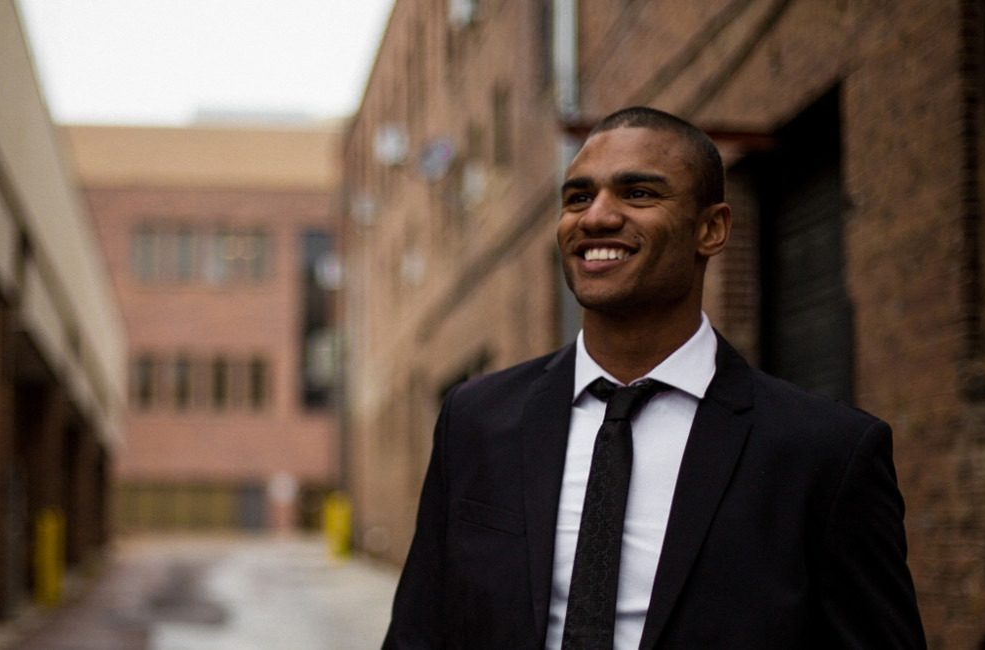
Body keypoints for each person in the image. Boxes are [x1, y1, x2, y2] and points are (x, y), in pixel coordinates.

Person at [381, 106, 925, 649]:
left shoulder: (826, 453)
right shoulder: (475, 421)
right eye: (577, 197)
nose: (595, 217)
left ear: (711, 229)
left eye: (638, 194)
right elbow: (418, 633)